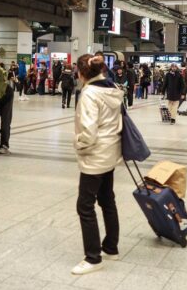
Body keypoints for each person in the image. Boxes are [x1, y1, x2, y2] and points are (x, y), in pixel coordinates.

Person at [72, 54, 122, 275]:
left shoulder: (89, 94)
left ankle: (93, 257)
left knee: (85, 205)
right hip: (111, 152)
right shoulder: (112, 88)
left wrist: (78, 144)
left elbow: (88, 132)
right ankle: (111, 247)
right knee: (107, 200)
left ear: (82, 74)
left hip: (95, 156)